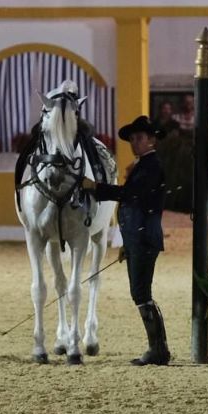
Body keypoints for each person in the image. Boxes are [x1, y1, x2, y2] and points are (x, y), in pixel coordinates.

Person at [82, 115, 170, 366]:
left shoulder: (151, 166)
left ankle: (158, 350)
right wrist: (126, 244)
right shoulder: (144, 165)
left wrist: (95, 187)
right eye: (132, 139)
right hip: (137, 237)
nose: (134, 142)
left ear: (151, 140)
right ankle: (158, 349)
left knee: (141, 293)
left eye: (139, 138)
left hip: (144, 237)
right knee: (140, 293)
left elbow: (131, 194)